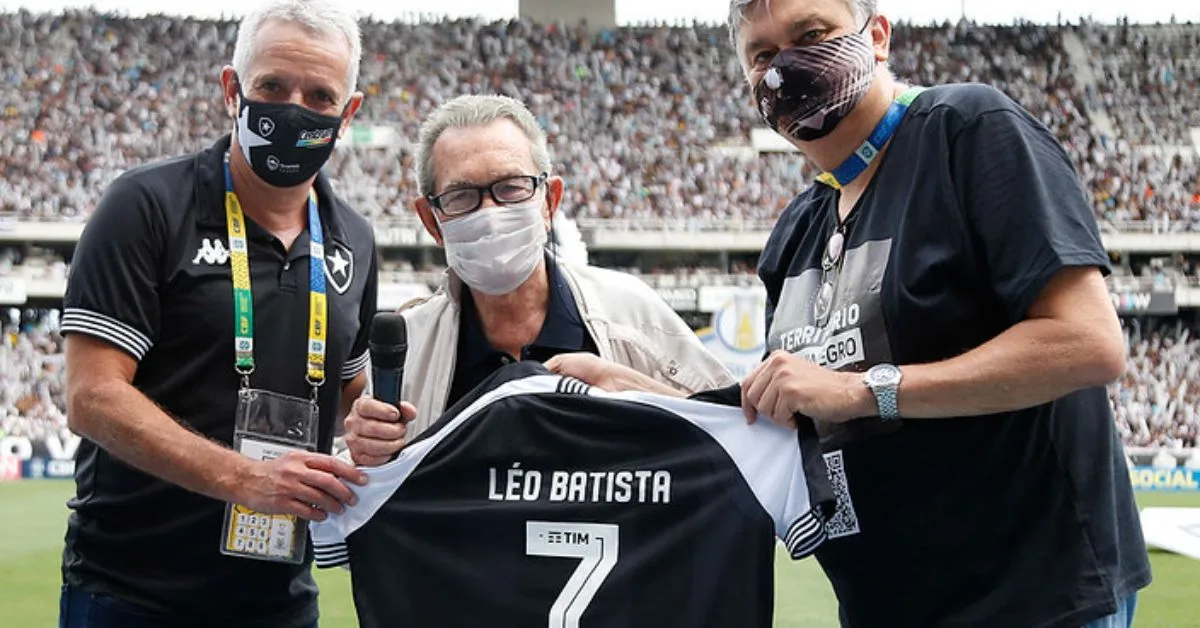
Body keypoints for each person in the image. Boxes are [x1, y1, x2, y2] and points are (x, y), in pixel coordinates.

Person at [553, 0, 1151, 626]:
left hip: (1031, 597)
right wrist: (644, 395)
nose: (786, 67)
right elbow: (790, 408)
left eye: (811, 34)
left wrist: (869, 390)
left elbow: (1088, 343)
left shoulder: (968, 130)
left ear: (879, 37)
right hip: (885, 605)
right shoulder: (796, 230)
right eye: (762, 56)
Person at [58, 1, 376, 625]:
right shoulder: (146, 205)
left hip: (279, 599)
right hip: (133, 592)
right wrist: (244, 480)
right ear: (232, 89)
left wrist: (370, 421)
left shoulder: (354, 241)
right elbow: (91, 396)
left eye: (319, 96)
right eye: (272, 87)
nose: (294, 109)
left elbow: (345, 394)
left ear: (348, 113)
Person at [341, 94, 734, 466]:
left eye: (511, 188)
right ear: (431, 220)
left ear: (549, 201)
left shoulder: (633, 316)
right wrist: (363, 452)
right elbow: (355, 492)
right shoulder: (410, 349)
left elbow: (738, 437)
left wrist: (633, 389)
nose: (491, 213)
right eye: (462, 196)